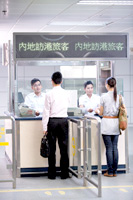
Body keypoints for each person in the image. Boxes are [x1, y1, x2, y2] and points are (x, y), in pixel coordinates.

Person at [96, 77, 126, 177]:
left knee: (109, 148)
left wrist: (96, 111)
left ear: (106, 84)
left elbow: (100, 113)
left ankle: (109, 171)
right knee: (114, 147)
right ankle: (115, 171)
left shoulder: (103, 97)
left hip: (106, 124)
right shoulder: (120, 97)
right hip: (116, 124)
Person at [42, 72, 70, 180]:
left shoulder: (49, 94)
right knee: (64, 148)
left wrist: (44, 127)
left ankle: (52, 174)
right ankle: (64, 174)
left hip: (52, 122)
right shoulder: (66, 93)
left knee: (52, 149)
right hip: (63, 121)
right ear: (61, 81)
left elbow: (46, 112)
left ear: (52, 81)